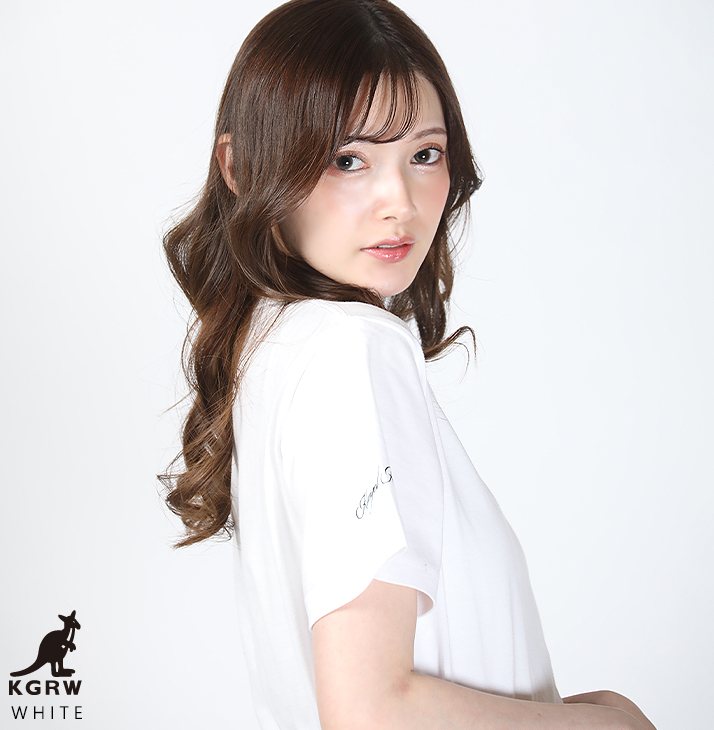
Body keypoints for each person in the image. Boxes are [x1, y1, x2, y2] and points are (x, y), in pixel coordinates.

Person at [162, 1, 657, 728]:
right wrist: (612, 724)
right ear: (239, 168)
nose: (399, 202)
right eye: (347, 160)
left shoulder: (273, 346)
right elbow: (370, 710)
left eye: (425, 154)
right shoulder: (351, 348)